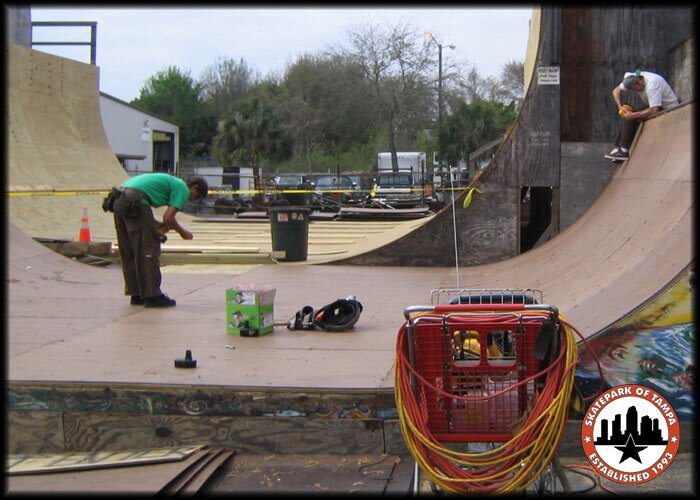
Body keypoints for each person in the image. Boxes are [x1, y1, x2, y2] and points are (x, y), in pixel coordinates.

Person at [114, 173, 208, 307]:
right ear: (195, 187)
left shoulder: (171, 182)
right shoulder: (182, 188)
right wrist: (183, 232)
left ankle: (136, 294)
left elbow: (145, 218)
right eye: (196, 197)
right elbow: (169, 218)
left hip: (119, 199)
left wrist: (157, 225)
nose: (191, 200)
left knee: (130, 250)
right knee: (149, 249)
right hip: (136, 200)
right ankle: (153, 296)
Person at [605, 69, 679, 161]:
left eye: (636, 89)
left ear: (639, 83)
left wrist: (633, 115)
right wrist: (620, 107)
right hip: (654, 105)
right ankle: (619, 147)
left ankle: (623, 150)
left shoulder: (652, 84)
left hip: (668, 109)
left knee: (631, 116)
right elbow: (615, 91)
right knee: (628, 113)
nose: (636, 91)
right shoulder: (632, 76)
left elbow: (654, 110)